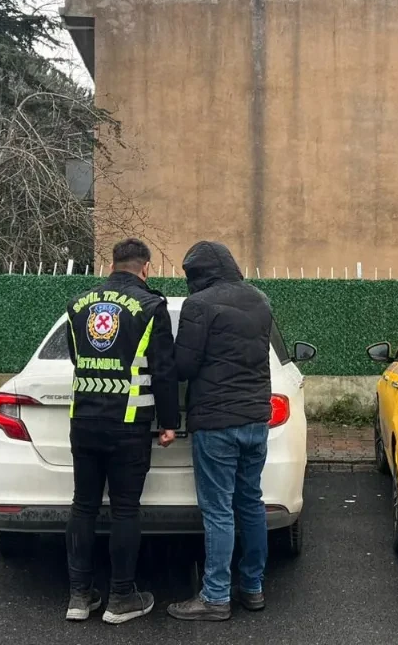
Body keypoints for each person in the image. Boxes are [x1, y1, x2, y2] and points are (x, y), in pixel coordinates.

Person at [63, 238, 178, 624]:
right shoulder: (151, 306)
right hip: (128, 423)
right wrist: (169, 422)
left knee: (84, 505)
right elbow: (163, 370)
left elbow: (79, 358)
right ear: (144, 268)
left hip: (84, 421)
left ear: (112, 265)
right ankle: (121, 597)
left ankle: (79, 597)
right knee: (125, 508)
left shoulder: (78, 305)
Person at [168, 241, 274, 622]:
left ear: (197, 274)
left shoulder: (200, 305)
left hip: (216, 422)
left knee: (217, 511)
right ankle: (253, 587)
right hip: (256, 419)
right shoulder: (260, 300)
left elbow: (184, 365)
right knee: (251, 503)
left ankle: (214, 597)